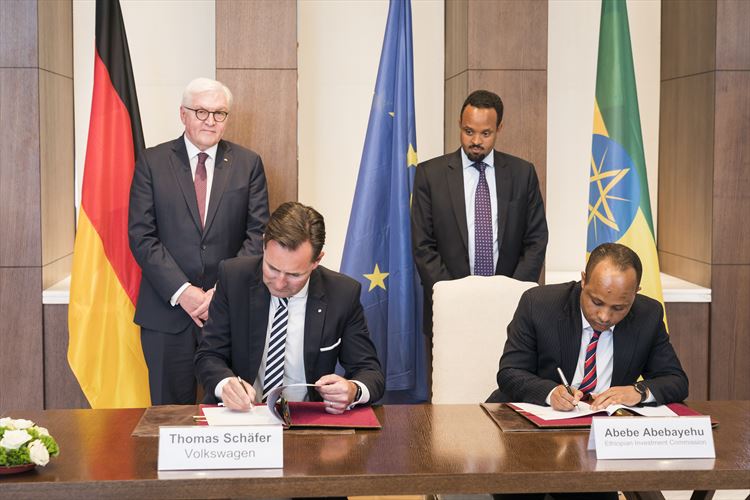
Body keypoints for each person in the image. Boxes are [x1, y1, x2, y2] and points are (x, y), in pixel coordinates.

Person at [488, 243, 689, 500]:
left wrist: (638, 391)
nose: (605, 316)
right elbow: (510, 372)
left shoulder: (647, 315)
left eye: (619, 308)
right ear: (583, 280)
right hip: (529, 434)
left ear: (635, 294)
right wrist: (550, 392)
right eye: (597, 302)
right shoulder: (538, 304)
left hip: (596, 440)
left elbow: (676, 380)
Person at [128, 77, 270, 405]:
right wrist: (185, 293)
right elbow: (141, 235)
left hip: (228, 311)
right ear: (183, 114)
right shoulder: (152, 162)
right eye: (201, 112)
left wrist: (219, 292)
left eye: (219, 113)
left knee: (231, 413)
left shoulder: (248, 164)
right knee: (169, 415)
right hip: (167, 312)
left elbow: (258, 234)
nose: (210, 121)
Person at [195, 202, 385, 412]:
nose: (279, 283)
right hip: (243, 419)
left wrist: (353, 390)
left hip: (308, 420)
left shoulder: (342, 294)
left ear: (317, 261)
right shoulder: (233, 278)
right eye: (272, 268)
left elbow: (370, 372)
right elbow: (208, 355)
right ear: (264, 244)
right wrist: (225, 385)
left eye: (294, 275)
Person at [411, 89, 548, 335]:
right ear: (459, 125)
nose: (476, 141)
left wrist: (512, 292)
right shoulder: (430, 175)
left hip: (510, 308)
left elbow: (536, 239)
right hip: (449, 307)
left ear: (499, 128)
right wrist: (454, 296)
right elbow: (423, 245)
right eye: (469, 131)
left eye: (486, 133)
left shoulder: (522, 173)